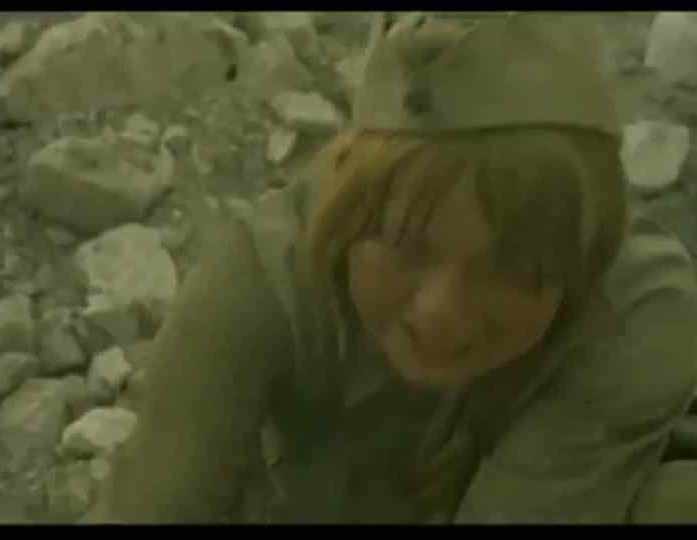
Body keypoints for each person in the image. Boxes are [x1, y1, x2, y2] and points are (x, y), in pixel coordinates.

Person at [85, 13, 697, 523]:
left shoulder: (640, 319)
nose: (441, 312)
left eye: (509, 268)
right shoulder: (259, 284)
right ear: (345, 218)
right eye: (406, 245)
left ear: (583, 260)